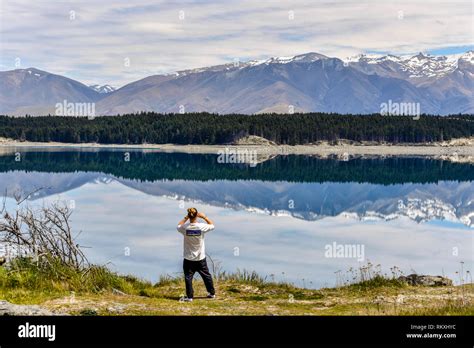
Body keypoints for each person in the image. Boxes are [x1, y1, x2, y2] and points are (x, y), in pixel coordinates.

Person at [176, 207, 216, 302]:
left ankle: (189, 297)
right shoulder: (201, 227)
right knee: (206, 276)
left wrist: (186, 218)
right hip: (200, 258)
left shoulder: (185, 228)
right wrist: (204, 217)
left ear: (189, 216)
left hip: (188, 258)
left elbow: (178, 226)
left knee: (188, 277)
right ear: (197, 215)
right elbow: (212, 225)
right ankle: (211, 293)